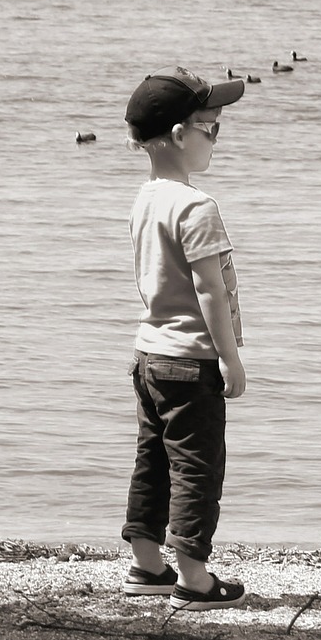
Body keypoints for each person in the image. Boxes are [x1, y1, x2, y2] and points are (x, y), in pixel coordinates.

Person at [119, 67, 248, 611]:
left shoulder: (147, 199)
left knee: (152, 459)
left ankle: (148, 564)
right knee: (197, 467)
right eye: (210, 129)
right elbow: (211, 294)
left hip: (149, 355)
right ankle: (194, 577)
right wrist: (231, 360)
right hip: (191, 361)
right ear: (178, 135)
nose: (215, 139)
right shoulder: (198, 207)